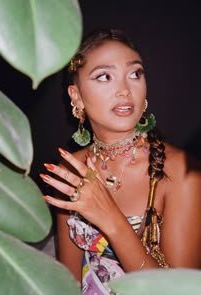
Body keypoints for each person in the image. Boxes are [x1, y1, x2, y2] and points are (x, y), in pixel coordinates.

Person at [39, 29, 201, 294]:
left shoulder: (183, 174)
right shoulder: (71, 170)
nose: (125, 90)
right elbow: (69, 281)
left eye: (135, 74)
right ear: (76, 96)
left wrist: (111, 219)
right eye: (104, 76)